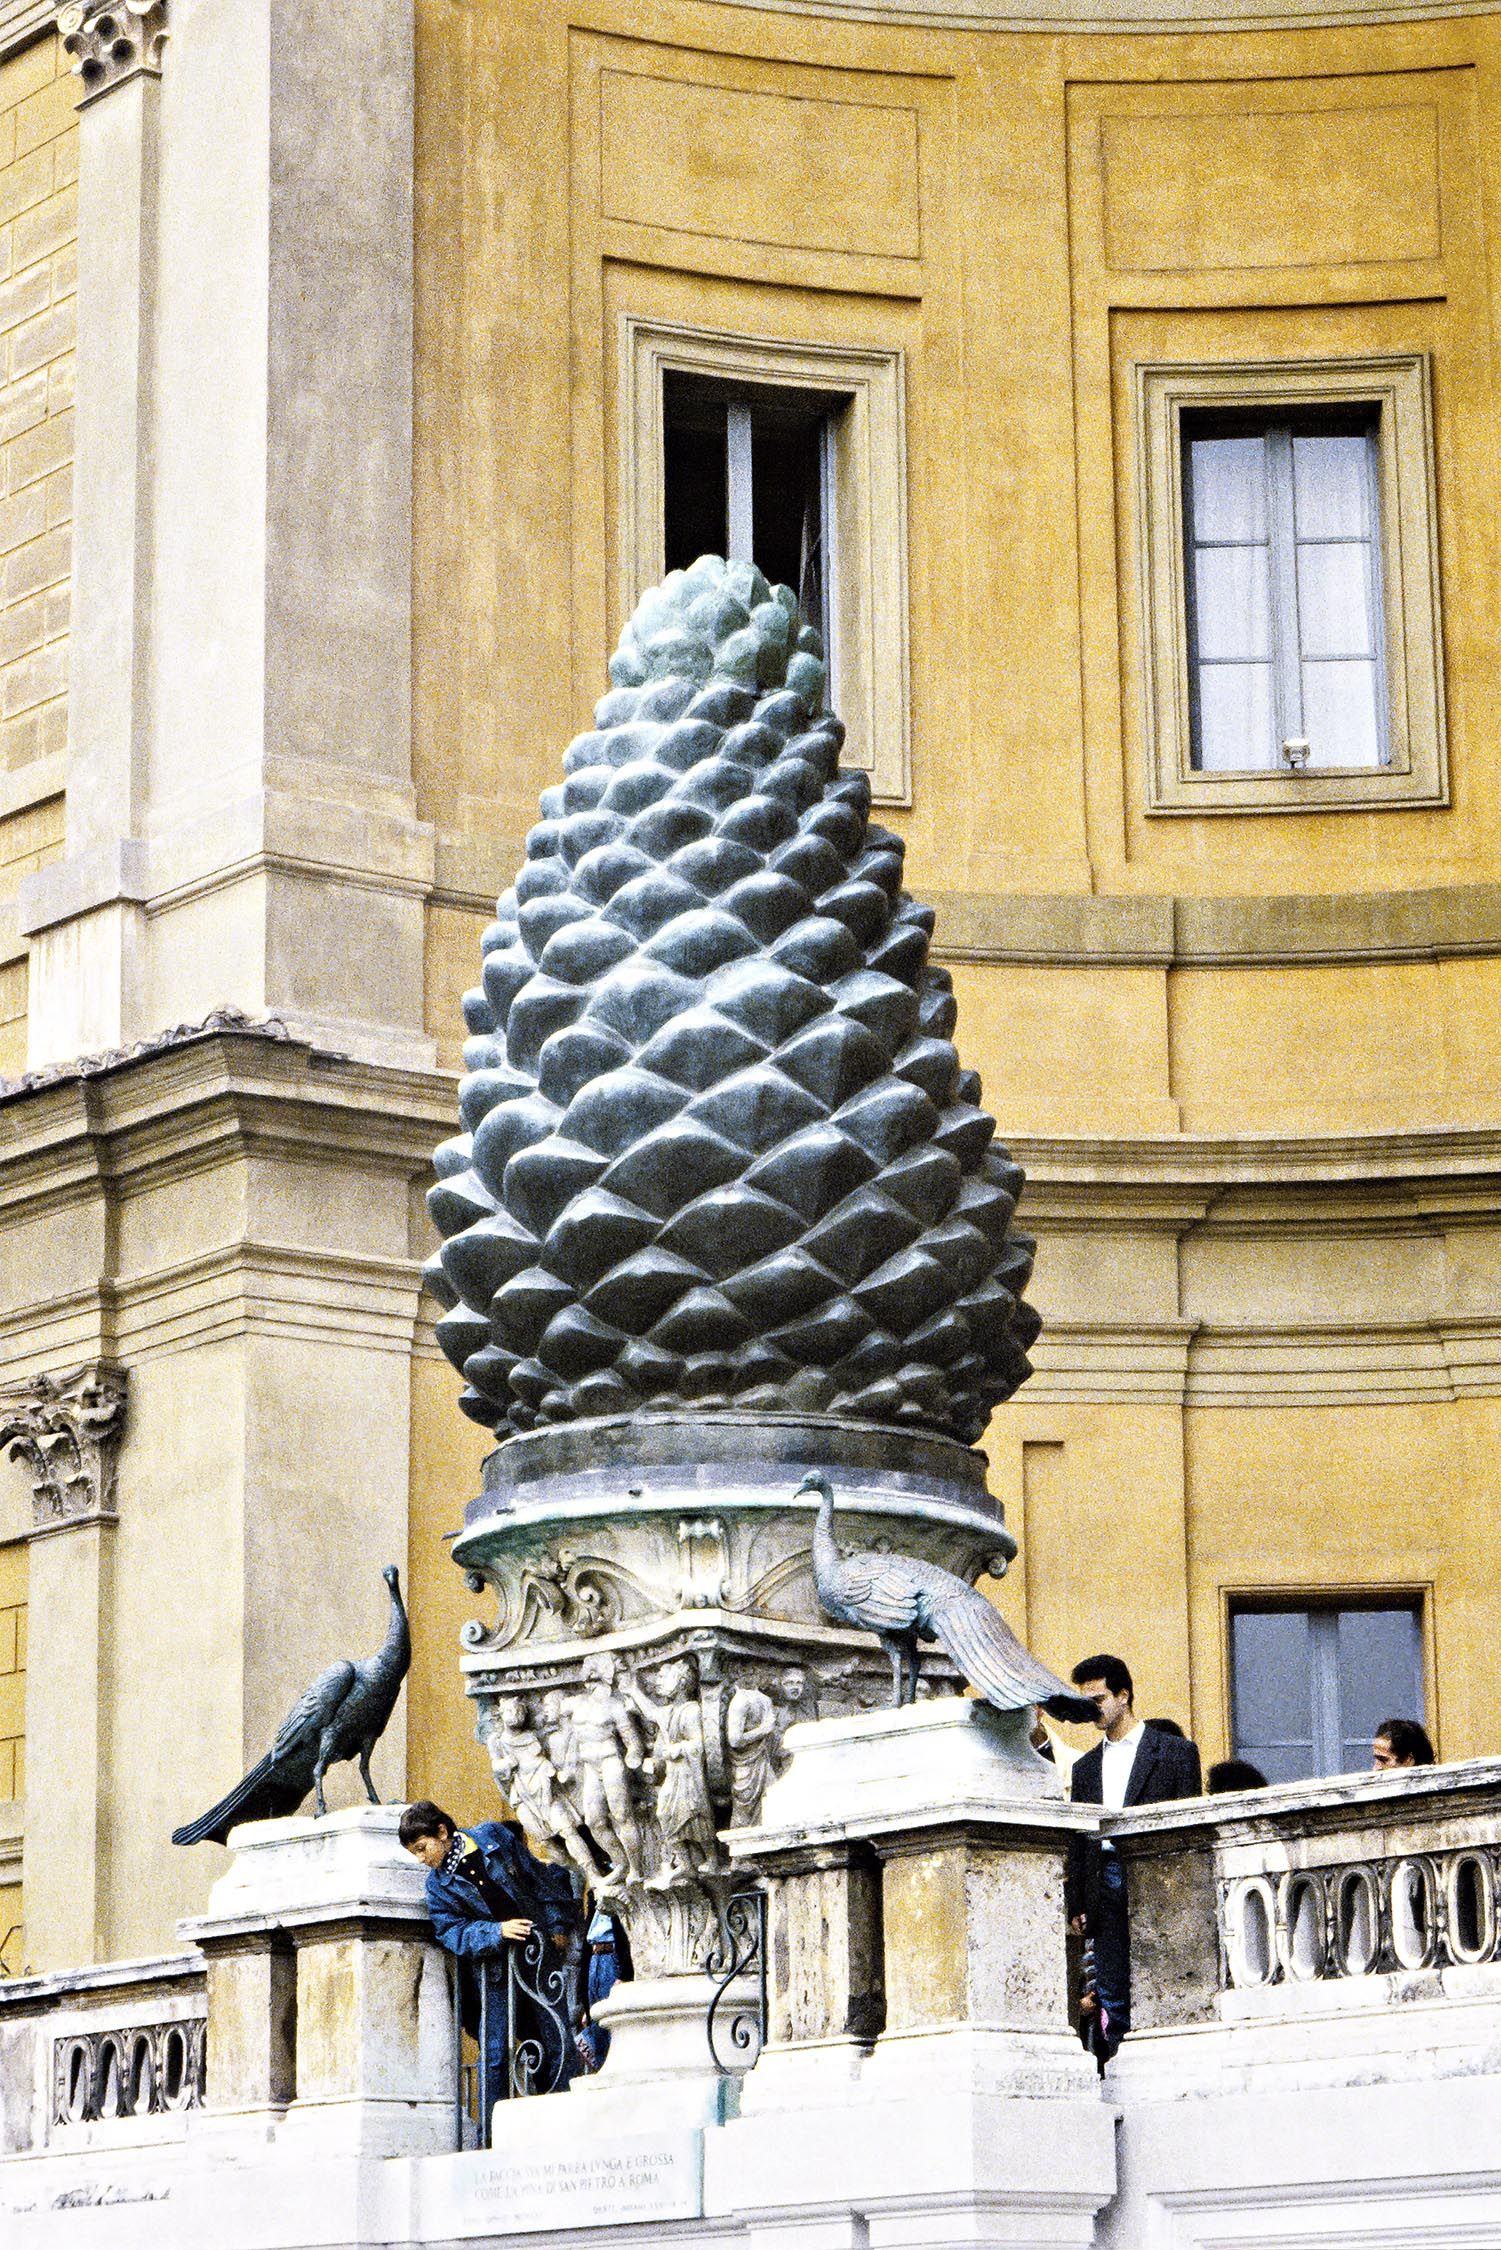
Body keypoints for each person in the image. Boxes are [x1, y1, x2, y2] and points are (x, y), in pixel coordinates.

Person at [1066, 1655, 1202, 2065]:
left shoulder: (1176, 1753)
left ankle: (1171, 2057)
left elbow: (1189, 1822)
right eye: (1086, 1701)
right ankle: (1121, 2058)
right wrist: (1076, 1901)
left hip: (1157, 1875)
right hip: (1101, 1876)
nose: (1093, 1709)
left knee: (1167, 1965)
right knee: (1110, 1980)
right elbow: (1079, 1837)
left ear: (1123, 1695)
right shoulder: (1085, 1766)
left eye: (1099, 1698)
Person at [398, 1800, 578, 2107]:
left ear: (442, 1832)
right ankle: (492, 2133)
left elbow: (537, 1876)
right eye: (414, 1851)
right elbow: (451, 1931)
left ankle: (563, 2112)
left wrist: (557, 1925)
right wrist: (496, 1932)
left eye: (421, 1848)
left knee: (556, 2036)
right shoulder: (438, 1886)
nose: (420, 1859)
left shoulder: (494, 1837)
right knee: (495, 2051)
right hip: (494, 1970)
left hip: (539, 1958)